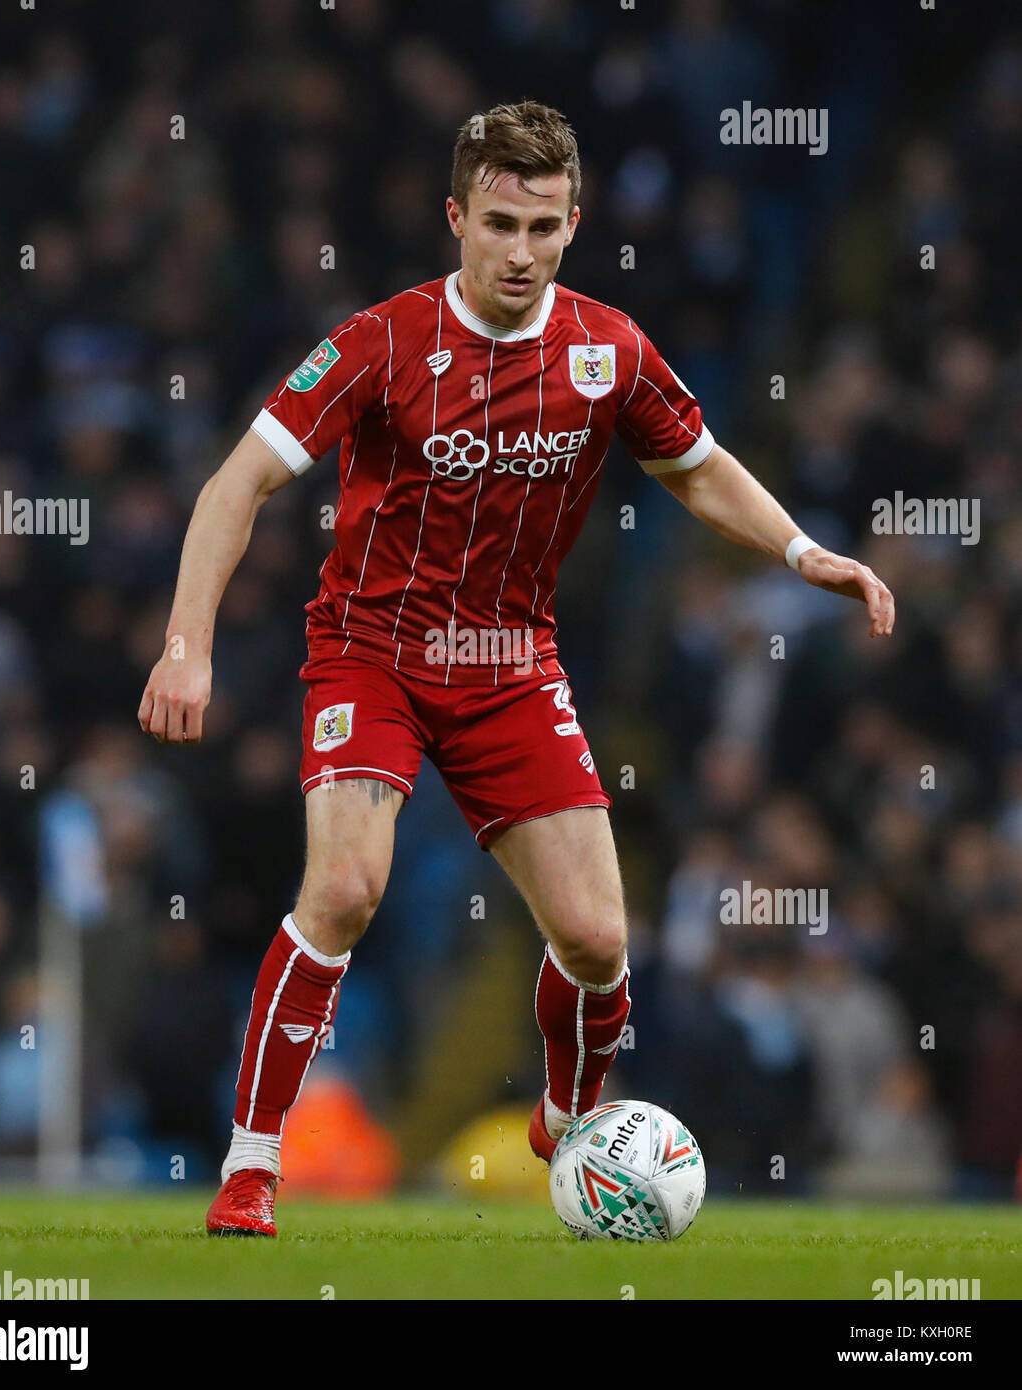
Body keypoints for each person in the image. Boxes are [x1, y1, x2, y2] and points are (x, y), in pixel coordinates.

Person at [136, 101, 895, 1236]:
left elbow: (693, 468)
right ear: (455, 218)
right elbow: (232, 485)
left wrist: (800, 550)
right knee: (344, 889)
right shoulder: (383, 339)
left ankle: (566, 1118)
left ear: (573, 223)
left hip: (508, 664)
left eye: (543, 227)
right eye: (499, 223)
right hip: (371, 653)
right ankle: (251, 1162)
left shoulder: (605, 350)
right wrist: (186, 644)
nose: (520, 251)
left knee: (596, 940)